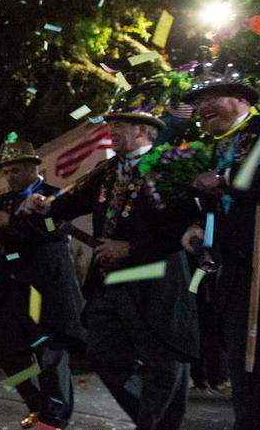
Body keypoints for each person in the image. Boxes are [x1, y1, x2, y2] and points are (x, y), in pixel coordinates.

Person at [25, 91, 199, 430]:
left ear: (144, 131)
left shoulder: (169, 167)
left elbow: (182, 225)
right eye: (111, 124)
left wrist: (131, 247)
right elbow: (71, 203)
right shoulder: (107, 171)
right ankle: (151, 419)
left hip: (158, 278)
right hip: (112, 280)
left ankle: (156, 422)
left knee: (164, 361)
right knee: (103, 355)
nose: (112, 130)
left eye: (121, 124)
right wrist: (45, 205)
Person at [0, 136, 85, 430]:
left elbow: (55, 230)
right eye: (6, 172)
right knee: (4, 345)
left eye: (15, 171)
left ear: (31, 168)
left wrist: (11, 223)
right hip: (11, 286)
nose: (9, 177)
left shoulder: (54, 195)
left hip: (45, 286)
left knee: (48, 352)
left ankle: (55, 416)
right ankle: (37, 404)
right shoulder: (3, 200)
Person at [180, 64, 260, 430]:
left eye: (213, 97)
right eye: (199, 101)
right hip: (235, 272)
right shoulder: (216, 148)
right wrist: (200, 225)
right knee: (245, 366)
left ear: (242, 99)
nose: (203, 106)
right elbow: (215, 203)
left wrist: (227, 179)